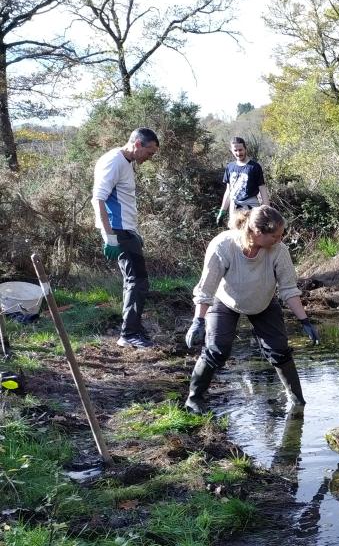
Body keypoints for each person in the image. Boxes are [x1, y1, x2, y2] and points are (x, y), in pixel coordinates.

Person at [184, 205, 318, 414]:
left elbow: (289, 289)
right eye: (275, 235)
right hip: (226, 300)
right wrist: (198, 321)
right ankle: (194, 399)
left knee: (279, 350)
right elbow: (206, 288)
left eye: (281, 235)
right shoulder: (223, 245)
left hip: (263, 301)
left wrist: (305, 321)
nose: (279, 239)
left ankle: (298, 400)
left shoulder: (278, 251)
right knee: (217, 350)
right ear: (256, 232)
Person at [92, 127, 160, 348]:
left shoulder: (127, 161)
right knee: (137, 281)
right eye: (149, 152)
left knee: (135, 281)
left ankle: (133, 328)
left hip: (127, 230)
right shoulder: (113, 161)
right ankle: (129, 334)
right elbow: (98, 199)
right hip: (117, 230)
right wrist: (109, 237)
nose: (150, 158)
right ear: (137, 144)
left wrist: (134, 232)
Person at [215, 137, 269, 225]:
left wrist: (266, 211)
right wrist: (222, 211)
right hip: (234, 208)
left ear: (245, 148)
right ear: (231, 150)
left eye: (240, 150)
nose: (238, 153)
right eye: (235, 150)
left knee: (252, 234)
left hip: (251, 207)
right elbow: (228, 191)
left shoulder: (254, 167)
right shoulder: (230, 167)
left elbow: (262, 190)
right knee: (235, 234)